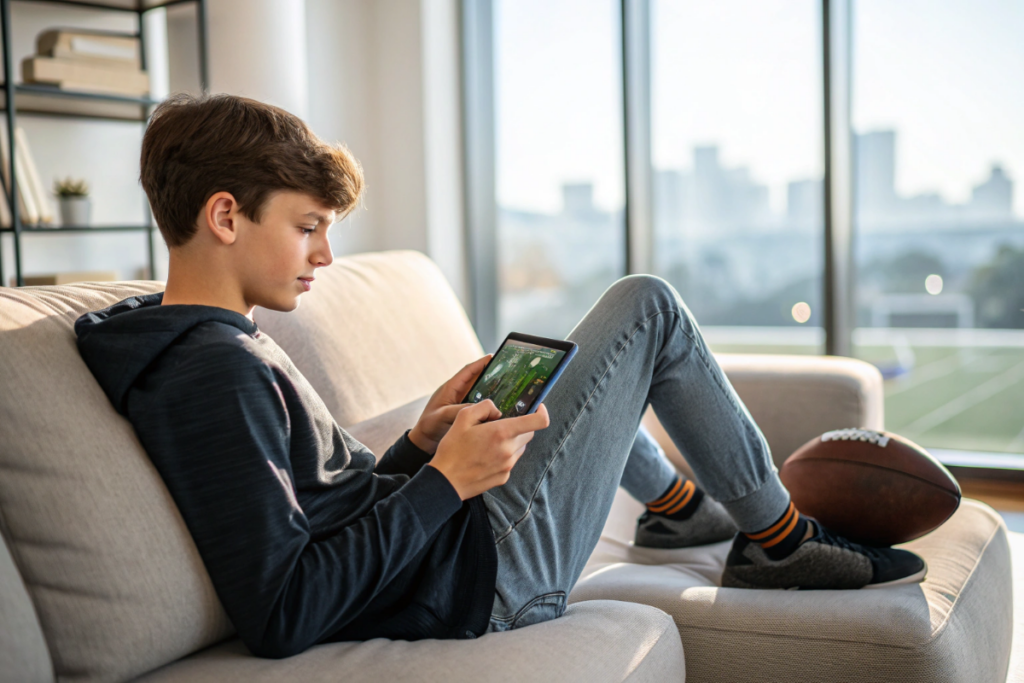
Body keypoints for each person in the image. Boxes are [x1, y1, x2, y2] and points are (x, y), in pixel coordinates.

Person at [75, 93, 925, 659]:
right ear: (225, 215)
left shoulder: (203, 339)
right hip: (485, 579)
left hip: (456, 549)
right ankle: (781, 542)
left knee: (573, 368)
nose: (325, 255)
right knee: (648, 307)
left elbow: (330, 510)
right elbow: (285, 607)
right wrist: (445, 483)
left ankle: (676, 510)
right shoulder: (211, 371)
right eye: (307, 227)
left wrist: (419, 444)